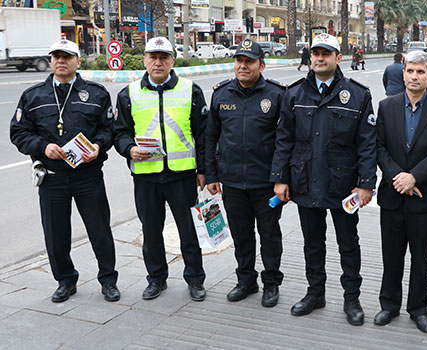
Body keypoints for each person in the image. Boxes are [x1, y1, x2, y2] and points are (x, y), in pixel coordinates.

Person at [271, 33, 376, 326]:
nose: (319, 58)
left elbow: (367, 143)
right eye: (315, 53)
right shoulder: (294, 94)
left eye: (326, 53)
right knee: (312, 243)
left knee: (348, 243)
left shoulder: (357, 94)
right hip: (304, 180)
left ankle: (351, 298)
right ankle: (315, 293)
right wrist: (280, 179)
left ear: (337, 58)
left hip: (343, 185)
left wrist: (366, 183)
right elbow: (284, 140)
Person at [10, 39, 120, 303]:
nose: (61, 60)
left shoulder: (96, 93)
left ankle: (108, 280)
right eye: (56, 56)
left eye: (67, 56)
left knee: (99, 229)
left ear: (77, 61)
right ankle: (65, 280)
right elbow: (18, 133)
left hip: (88, 176)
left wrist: (97, 145)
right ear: (51, 61)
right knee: (55, 233)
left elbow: (109, 129)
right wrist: (43, 147)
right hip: (52, 178)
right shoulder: (33, 95)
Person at [114, 37, 207, 302]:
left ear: (172, 61)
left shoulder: (191, 90)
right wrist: (129, 149)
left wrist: (203, 171)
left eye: (164, 57)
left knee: (188, 231)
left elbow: (203, 135)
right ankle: (156, 279)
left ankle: (195, 279)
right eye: (153, 57)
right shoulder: (129, 93)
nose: (158, 62)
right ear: (144, 60)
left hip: (182, 175)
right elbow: (119, 132)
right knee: (151, 231)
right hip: (146, 176)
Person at [374, 50, 427, 333]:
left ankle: (418, 309)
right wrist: (398, 176)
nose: (414, 76)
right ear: (403, 73)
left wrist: (414, 177)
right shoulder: (386, 106)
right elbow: (379, 147)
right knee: (391, 255)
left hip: (425, 197)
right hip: (392, 194)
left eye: (420, 72)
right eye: (410, 71)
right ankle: (389, 305)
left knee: (420, 258)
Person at [205, 39, 286, 307]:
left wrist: (281, 178)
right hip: (232, 181)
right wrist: (211, 174)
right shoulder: (221, 94)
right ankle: (246, 280)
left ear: (261, 65)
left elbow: (287, 140)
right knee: (241, 234)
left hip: (265, 183)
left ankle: (271, 283)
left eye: (249, 61)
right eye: (239, 60)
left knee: (269, 234)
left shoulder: (277, 95)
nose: (243, 66)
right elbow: (211, 136)